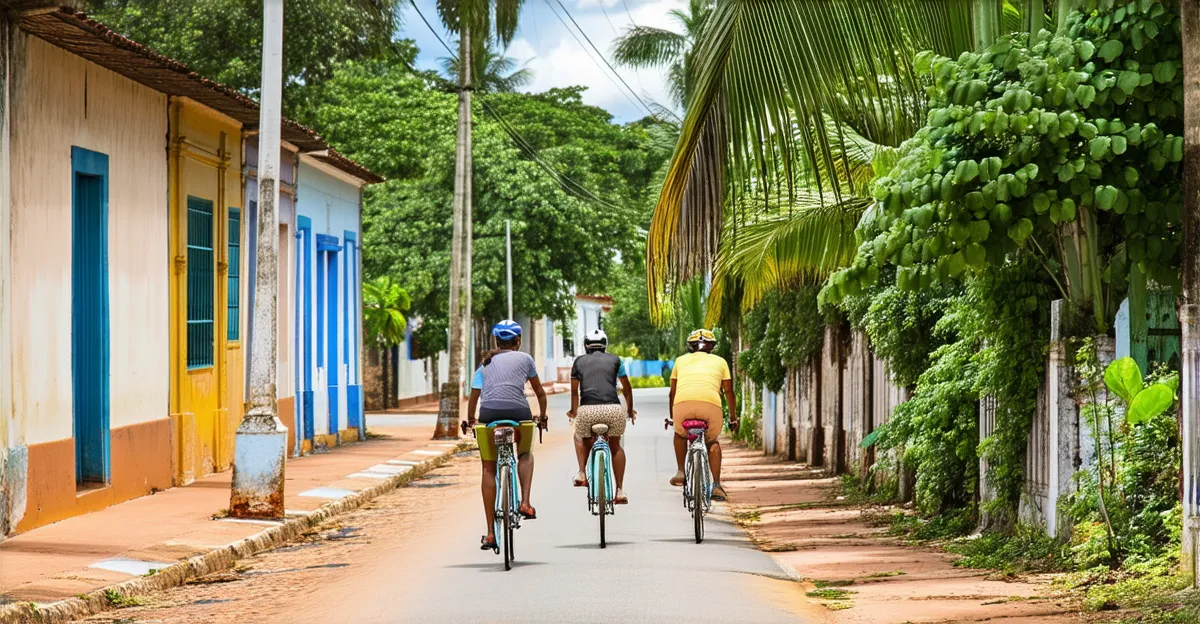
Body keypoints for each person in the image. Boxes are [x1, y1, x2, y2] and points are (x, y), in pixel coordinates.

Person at [465, 320, 547, 551]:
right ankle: (525, 503)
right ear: (517, 341)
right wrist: (542, 415)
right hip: (519, 413)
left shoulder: (484, 364)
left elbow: (474, 397)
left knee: (488, 468)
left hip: (488, 415)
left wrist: (471, 419)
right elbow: (539, 392)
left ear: (496, 341)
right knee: (524, 454)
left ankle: (491, 533)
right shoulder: (526, 359)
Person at [668, 328, 738, 501]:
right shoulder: (720, 362)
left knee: (679, 434)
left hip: (682, 405)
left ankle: (681, 471)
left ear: (690, 346)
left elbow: (672, 392)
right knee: (713, 442)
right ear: (712, 346)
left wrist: (672, 417)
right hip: (711, 406)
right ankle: (715, 485)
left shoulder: (679, 360)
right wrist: (733, 418)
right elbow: (728, 391)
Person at [566, 329, 635, 504]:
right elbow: (627, 389)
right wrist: (629, 410)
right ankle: (619, 490)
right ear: (605, 345)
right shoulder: (616, 360)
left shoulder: (579, 361)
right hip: (613, 409)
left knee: (580, 437)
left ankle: (582, 472)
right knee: (616, 446)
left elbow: (575, 392)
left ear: (586, 345)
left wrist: (574, 412)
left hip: (588, 410)